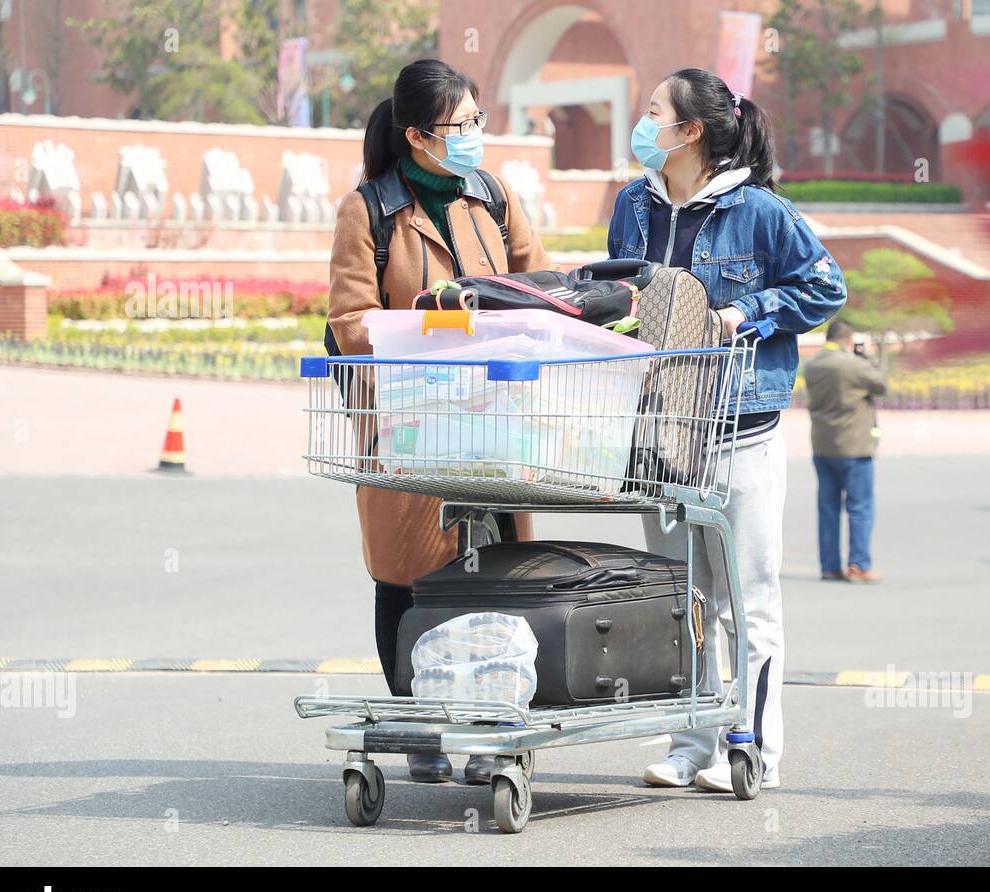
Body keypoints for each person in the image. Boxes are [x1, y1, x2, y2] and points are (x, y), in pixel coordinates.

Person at [607, 68, 847, 793]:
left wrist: (749, 312)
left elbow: (825, 287)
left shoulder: (760, 211)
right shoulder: (634, 205)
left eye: (653, 113)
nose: (642, 125)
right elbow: (617, 289)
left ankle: (750, 746)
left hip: (740, 428)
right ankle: (690, 741)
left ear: (691, 131)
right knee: (680, 595)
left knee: (745, 594)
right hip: (661, 431)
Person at [326, 58, 550, 784]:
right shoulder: (371, 210)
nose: (476, 136)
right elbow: (348, 323)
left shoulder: (494, 195)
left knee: (493, 575)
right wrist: (426, 321)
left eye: (479, 120)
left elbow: (543, 287)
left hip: (495, 421)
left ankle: (489, 727)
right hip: (410, 424)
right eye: (462, 126)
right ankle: (418, 721)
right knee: (408, 577)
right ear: (418, 135)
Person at [802, 320, 886, 583]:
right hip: (855, 446)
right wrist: (868, 356)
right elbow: (881, 385)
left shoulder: (813, 365)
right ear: (848, 341)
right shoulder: (854, 365)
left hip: (823, 446)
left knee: (827, 509)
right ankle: (858, 564)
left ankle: (829, 566)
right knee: (860, 507)